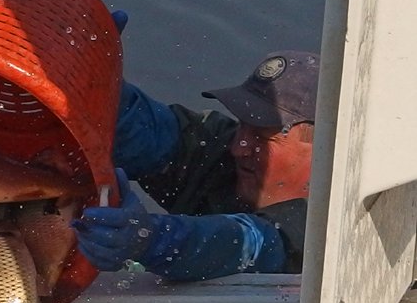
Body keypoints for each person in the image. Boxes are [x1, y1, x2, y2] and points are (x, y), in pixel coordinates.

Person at [73, 50, 318, 281]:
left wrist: (151, 238)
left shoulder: (335, 225)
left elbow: (247, 243)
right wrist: (89, 72)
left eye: (263, 137)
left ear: (327, 152)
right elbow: (144, 129)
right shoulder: (220, 151)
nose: (238, 148)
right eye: (242, 124)